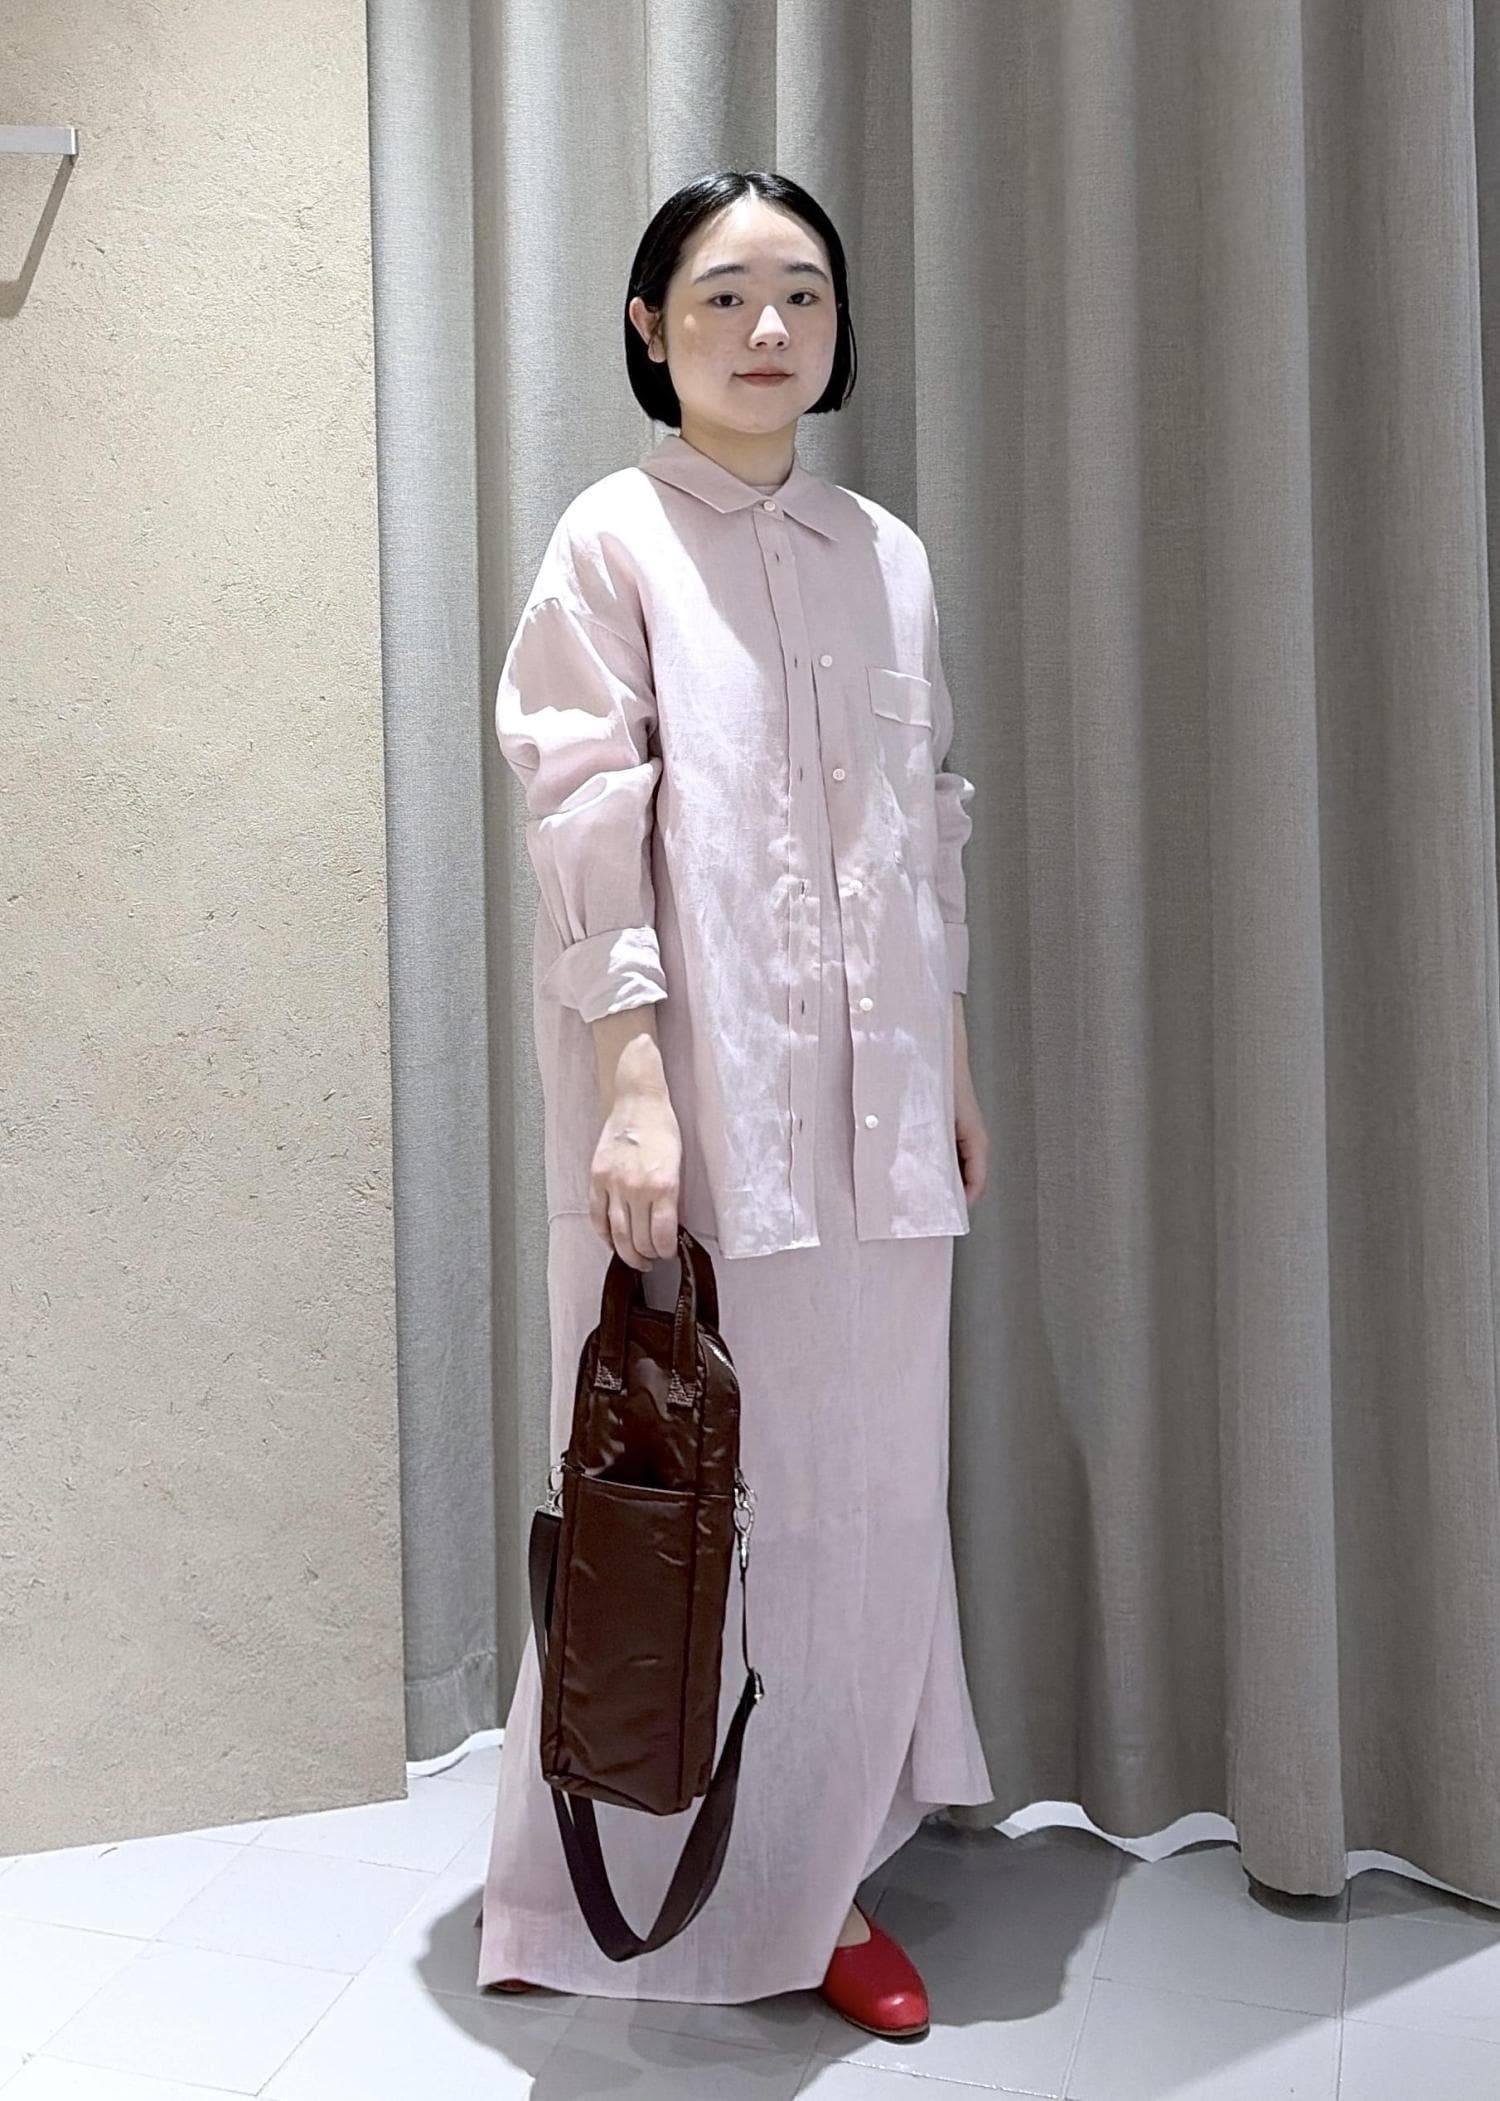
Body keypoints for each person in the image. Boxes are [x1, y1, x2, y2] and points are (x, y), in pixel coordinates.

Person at [475, 167, 993, 2042]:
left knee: (867, 1497)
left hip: (883, 1116)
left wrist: (955, 1065)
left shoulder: (887, 552)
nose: (767, 329)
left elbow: (924, 829)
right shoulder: (609, 541)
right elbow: (582, 818)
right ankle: (633, 1872)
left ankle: (826, 1864)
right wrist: (633, 1086)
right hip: (692, 1102)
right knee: (687, 1496)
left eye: (802, 293)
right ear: (650, 327)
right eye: (721, 294)